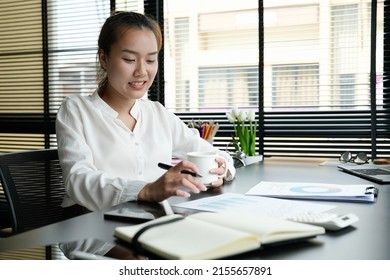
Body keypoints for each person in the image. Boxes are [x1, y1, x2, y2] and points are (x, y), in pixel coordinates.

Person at [55, 11, 235, 214]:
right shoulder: (76, 110)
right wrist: (146, 190)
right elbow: (77, 179)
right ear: (104, 57)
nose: (141, 71)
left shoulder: (156, 113)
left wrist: (222, 167)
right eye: (129, 59)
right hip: (92, 229)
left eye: (150, 60)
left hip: (153, 220)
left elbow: (208, 151)